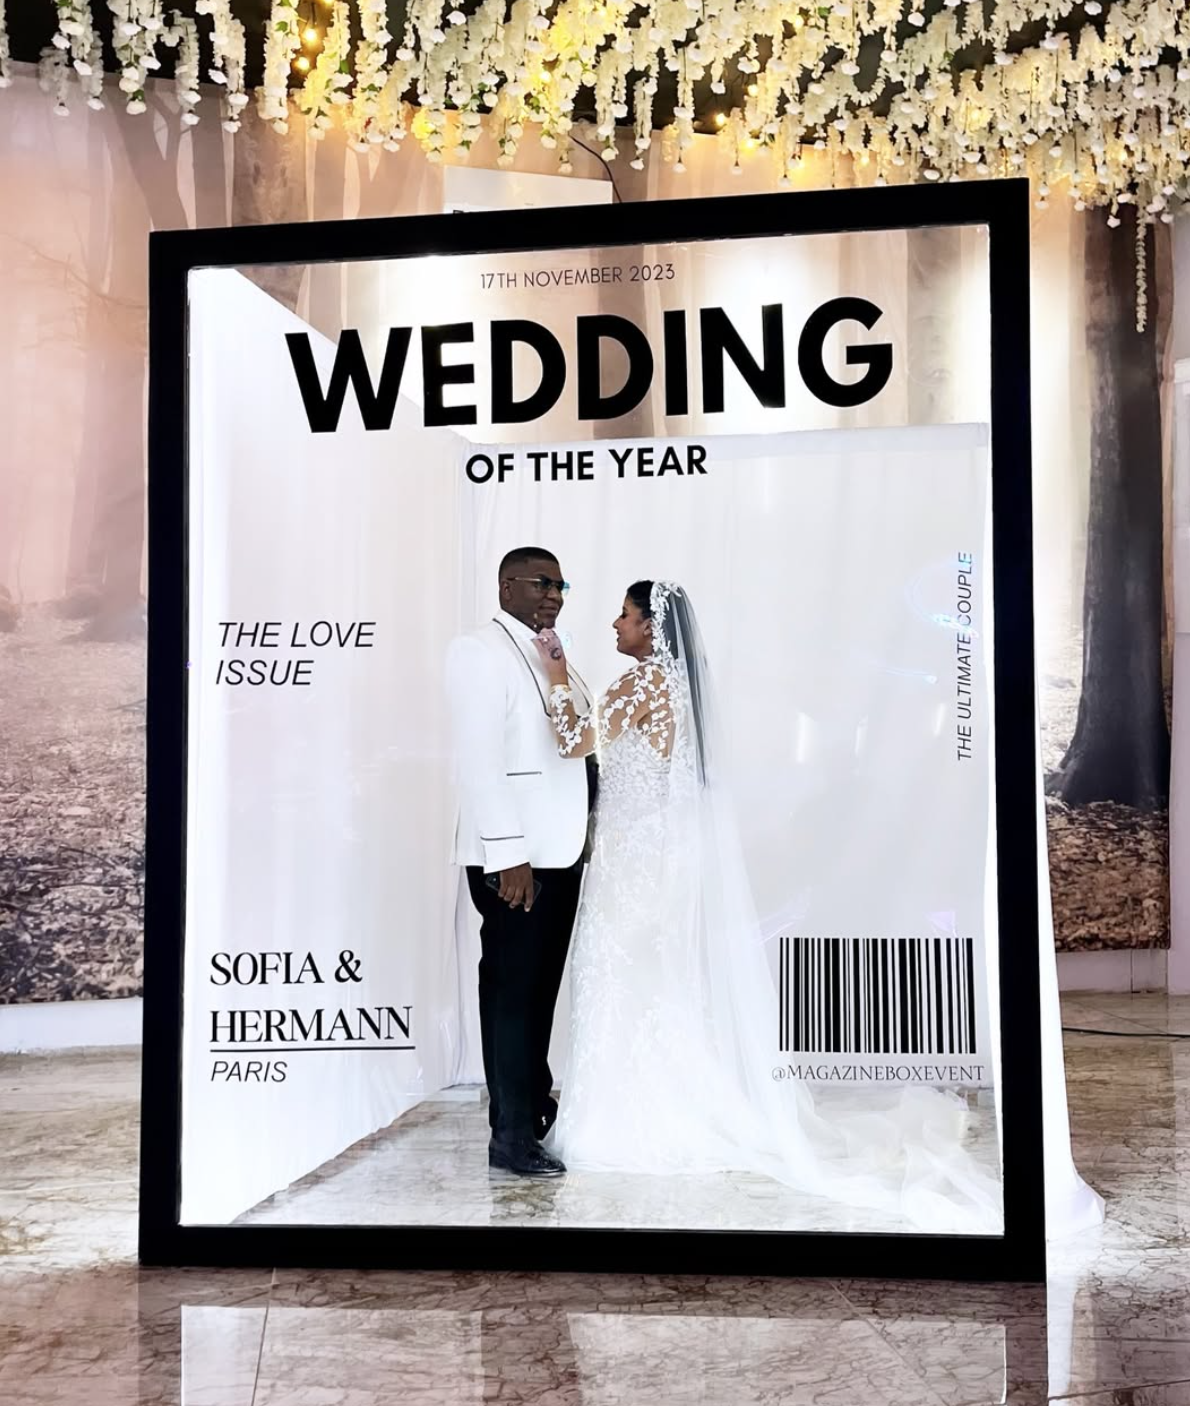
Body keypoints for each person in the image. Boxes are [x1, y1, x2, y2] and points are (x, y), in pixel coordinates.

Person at [533, 579, 1002, 1233]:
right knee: (652, 983)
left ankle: (621, 1120)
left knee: (619, 977)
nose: (616, 624)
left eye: (626, 614)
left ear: (651, 628)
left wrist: (555, 673)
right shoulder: (679, 688)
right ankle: (663, 1101)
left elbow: (575, 740)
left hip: (634, 858)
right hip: (661, 852)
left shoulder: (641, 684)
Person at [445, 547, 595, 1178]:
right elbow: (479, 761)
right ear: (507, 585)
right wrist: (509, 856)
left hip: (558, 854)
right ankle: (510, 1138)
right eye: (541, 582)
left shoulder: (548, 650)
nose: (554, 593)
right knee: (512, 998)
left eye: (560, 583)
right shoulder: (478, 651)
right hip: (518, 861)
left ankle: (529, 1106)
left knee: (534, 997)